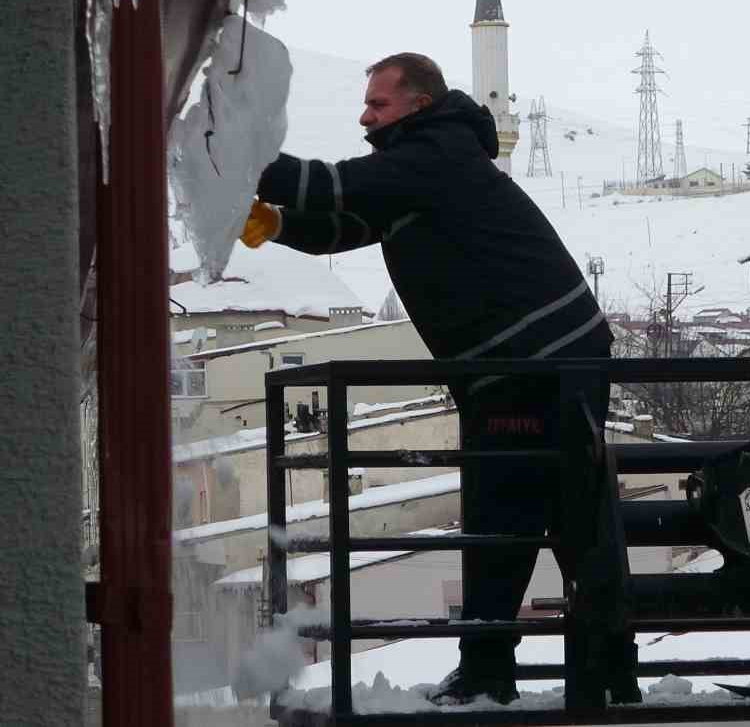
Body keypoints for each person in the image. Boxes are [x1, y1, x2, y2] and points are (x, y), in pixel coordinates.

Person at [241, 52, 633, 706]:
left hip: (538, 362)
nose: (365, 116)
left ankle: (525, 672)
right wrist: (276, 224)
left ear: (417, 104)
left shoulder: (437, 154)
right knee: (538, 516)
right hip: (528, 362)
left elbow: (336, 185)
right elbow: (346, 223)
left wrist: (243, 160)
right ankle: (569, 674)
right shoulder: (426, 165)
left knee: (533, 514)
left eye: (378, 104)